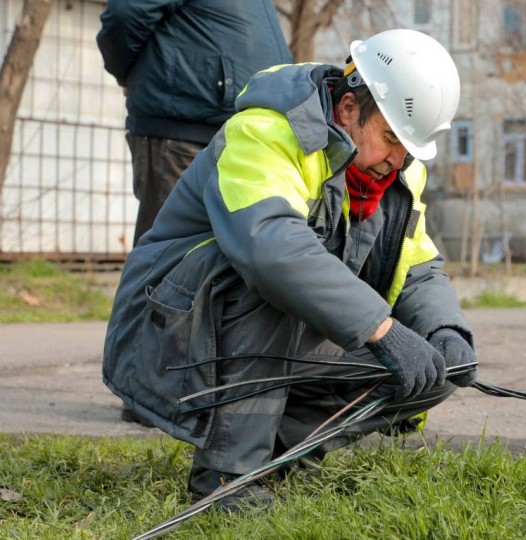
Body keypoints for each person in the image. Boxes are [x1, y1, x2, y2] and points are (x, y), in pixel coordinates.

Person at [103, 28, 478, 510]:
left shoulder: (397, 172)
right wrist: (382, 329)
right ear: (348, 109)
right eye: (389, 138)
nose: (397, 159)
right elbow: (270, 249)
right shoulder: (265, 132)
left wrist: (445, 331)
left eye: (408, 148)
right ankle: (227, 478)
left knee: (433, 369)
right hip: (173, 331)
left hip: (262, 333)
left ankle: (275, 458)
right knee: (276, 281)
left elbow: (419, 263)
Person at [96, 0, 292, 425]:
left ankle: (194, 390)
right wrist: (132, 75)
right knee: (167, 262)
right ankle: (145, 394)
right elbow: (126, 16)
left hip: (229, 126)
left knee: (222, 266)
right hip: (181, 123)